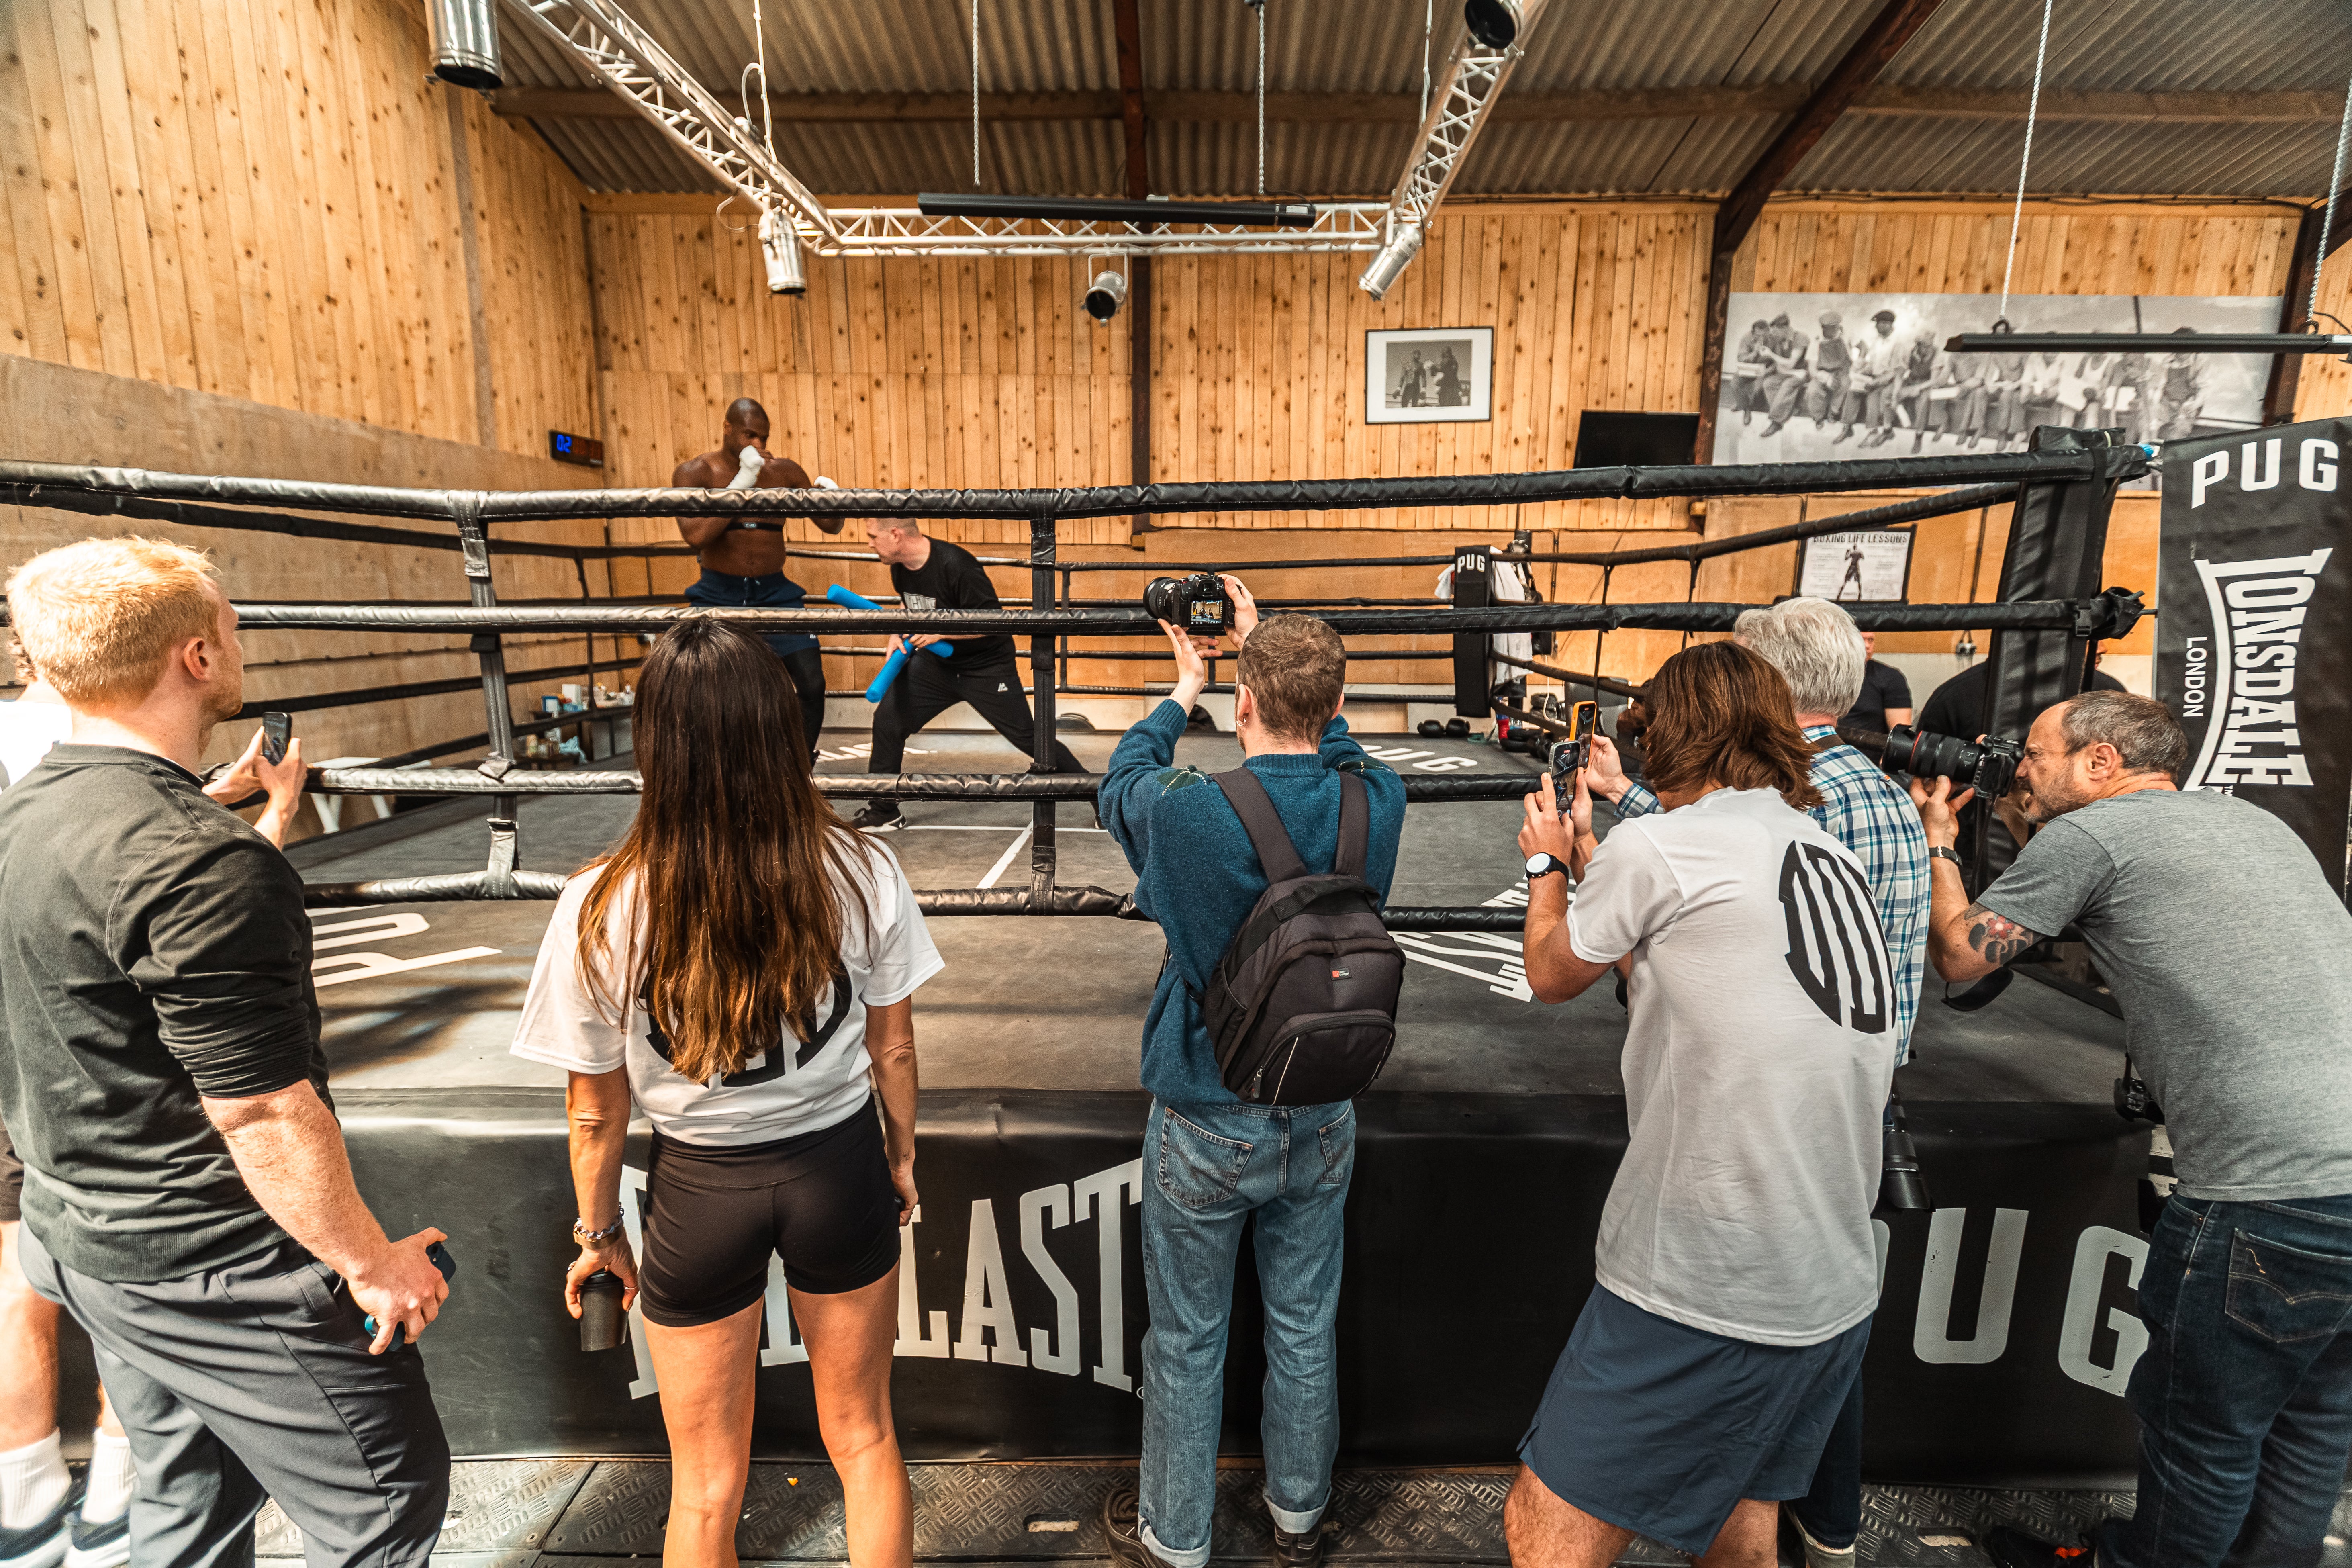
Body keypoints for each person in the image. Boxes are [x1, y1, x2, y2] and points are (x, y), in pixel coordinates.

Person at [0, 537, 454, 1567]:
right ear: (196, 658)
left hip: (82, 1239)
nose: (237, 642)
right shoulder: (194, 862)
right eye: (232, 628)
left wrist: (255, 824)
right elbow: (259, 1110)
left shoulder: (28, 810)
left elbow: (125, 923)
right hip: (218, 1262)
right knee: (387, 1502)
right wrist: (367, 1262)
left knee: (187, 1508)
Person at [513, 618, 937, 1568]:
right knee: (865, 1439)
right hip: (837, 1165)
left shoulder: (599, 900)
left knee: (703, 1486)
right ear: (779, 726)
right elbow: (894, 1045)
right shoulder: (861, 865)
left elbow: (595, 1109)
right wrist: (899, 1155)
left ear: (656, 739)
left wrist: (597, 1234)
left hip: (699, 1190)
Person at [1905, 691, 2352, 1568]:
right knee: (2313, 1423)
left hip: (2265, 1198)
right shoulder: (2247, 822)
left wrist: (1935, 842)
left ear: (2099, 763)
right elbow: (2122, 896)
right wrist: (2027, 820)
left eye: (2033, 757)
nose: (2020, 772)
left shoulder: (2089, 838)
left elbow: (1963, 957)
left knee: (2205, 1439)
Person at [1508, 640, 1892, 1568]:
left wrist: (1546, 868)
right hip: (1832, 1272)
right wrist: (1602, 857)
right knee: (1735, 1517)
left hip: (1711, 1273)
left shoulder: (1662, 845)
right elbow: (1687, 952)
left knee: (1545, 1526)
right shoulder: (1824, 850)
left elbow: (1553, 972)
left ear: (1666, 735)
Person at [1095, 583, 1406, 1568]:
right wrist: (1270, 644)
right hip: (1321, 1107)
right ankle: (1299, 1515)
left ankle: (1176, 1537)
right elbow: (1340, 747)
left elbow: (1120, 778)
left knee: (1187, 1338)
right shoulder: (1376, 797)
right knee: (1303, 1321)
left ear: (1242, 702)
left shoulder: (1189, 814)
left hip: (1205, 1104)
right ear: (1334, 697)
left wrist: (1182, 684)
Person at [854, 518, 1081, 831]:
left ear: (895, 535)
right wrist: (897, 630)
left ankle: (1100, 795)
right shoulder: (899, 566)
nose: (869, 543)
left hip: (985, 666)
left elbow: (991, 621)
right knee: (888, 722)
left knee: (1028, 737)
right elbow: (909, 606)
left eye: (872, 536)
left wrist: (939, 632)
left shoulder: (956, 565)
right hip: (936, 665)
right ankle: (884, 811)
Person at [672, 397, 845, 758]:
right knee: (708, 692)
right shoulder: (695, 472)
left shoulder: (783, 472)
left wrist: (833, 500)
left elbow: (831, 526)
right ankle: (716, 772)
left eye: (764, 438)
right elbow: (696, 537)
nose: (759, 446)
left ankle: (800, 771)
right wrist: (742, 482)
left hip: (776, 592)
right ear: (727, 429)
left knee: (811, 683)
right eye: (750, 435)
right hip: (719, 592)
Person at [1849, 309, 1904, 448]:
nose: (1876, 327)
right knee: (1871, 397)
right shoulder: (1878, 341)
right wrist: (1861, 373)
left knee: (1886, 396)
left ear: (1887, 324)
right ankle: (1873, 431)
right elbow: (1872, 364)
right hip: (1877, 378)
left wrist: (1877, 382)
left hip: (1893, 380)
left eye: (1878, 324)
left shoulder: (1898, 343)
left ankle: (1887, 430)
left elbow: (1896, 370)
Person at [1843, 631, 1912, 733]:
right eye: (1861, 639)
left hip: (1868, 747)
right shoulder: (1825, 674)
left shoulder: (1890, 677)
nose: (1867, 646)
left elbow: (1901, 736)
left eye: (1871, 640)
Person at [1806, 313, 1854, 437]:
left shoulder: (1845, 338)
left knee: (1845, 384)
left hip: (1841, 372)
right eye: (1832, 328)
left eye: (1837, 327)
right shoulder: (1816, 343)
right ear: (1824, 328)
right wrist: (1825, 377)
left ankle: (1833, 412)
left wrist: (1859, 359)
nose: (1835, 330)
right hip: (1822, 373)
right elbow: (1812, 370)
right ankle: (1818, 418)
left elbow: (1857, 353)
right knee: (1813, 390)